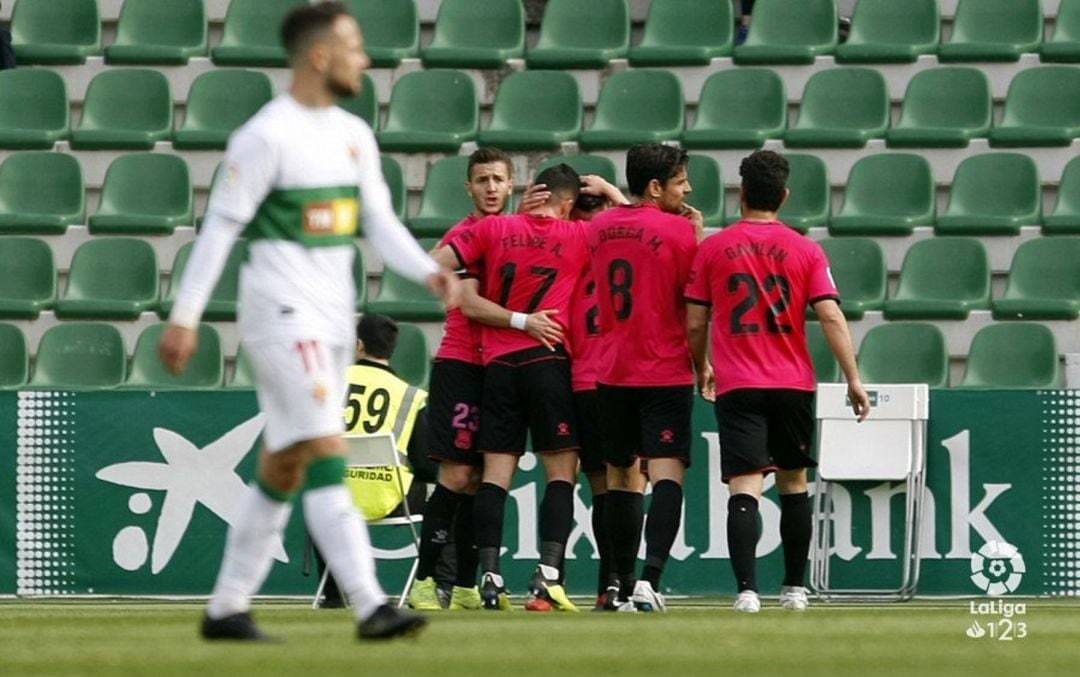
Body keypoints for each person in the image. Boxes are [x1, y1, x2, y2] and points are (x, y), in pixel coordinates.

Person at [159, 1, 459, 642]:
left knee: (284, 464)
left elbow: (380, 221)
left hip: (328, 321)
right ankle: (370, 603)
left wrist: (426, 271)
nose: (365, 59)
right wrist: (185, 315)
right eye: (354, 47)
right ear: (320, 57)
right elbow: (220, 227)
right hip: (281, 315)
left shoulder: (352, 134)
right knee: (326, 447)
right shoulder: (266, 136)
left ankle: (226, 608)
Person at [684, 149, 870, 613]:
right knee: (793, 483)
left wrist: (699, 366)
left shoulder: (713, 248)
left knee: (744, 487)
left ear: (741, 193)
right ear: (783, 196)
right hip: (792, 382)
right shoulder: (806, 248)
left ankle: (747, 591)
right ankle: (794, 589)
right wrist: (853, 378)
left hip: (739, 383)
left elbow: (693, 323)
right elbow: (829, 313)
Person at [431, 164, 621, 612]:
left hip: (497, 365)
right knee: (561, 473)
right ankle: (547, 575)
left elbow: (435, 262)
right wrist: (612, 191)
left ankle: (491, 578)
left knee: (496, 475)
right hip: (547, 359)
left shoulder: (494, 228)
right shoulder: (580, 236)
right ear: (571, 202)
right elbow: (636, 229)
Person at [408, 147, 562, 612]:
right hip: (461, 362)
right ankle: (426, 579)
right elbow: (456, 291)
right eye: (482, 180)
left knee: (481, 477)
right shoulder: (467, 235)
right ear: (469, 187)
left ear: (511, 184)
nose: (491, 188)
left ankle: (469, 586)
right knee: (456, 472)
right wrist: (521, 319)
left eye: (498, 179)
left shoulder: (510, 233)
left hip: (497, 365)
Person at [587, 144, 702, 613]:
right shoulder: (679, 233)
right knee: (667, 473)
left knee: (620, 476)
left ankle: (620, 582)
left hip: (612, 369)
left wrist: (618, 198)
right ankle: (649, 580)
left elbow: (627, 226)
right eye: (680, 181)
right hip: (664, 368)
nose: (688, 188)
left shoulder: (597, 228)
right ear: (656, 187)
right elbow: (695, 301)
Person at [315, 313, 440, 609]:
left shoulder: (329, 384)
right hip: (393, 499)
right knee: (448, 497)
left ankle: (335, 594)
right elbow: (426, 466)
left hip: (338, 497)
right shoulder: (411, 396)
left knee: (319, 488)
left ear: (358, 345)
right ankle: (440, 586)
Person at [567, 191, 618, 611]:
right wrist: (616, 194)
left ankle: (609, 585)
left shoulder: (568, 273)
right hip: (618, 383)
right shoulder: (624, 261)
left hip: (582, 384)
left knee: (601, 486)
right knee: (621, 487)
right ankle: (615, 583)